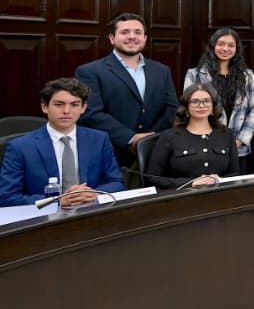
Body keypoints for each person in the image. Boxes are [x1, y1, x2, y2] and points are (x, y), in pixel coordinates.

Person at [75, 12, 180, 173]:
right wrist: (131, 138)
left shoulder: (161, 70)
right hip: (110, 155)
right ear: (112, 38)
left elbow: (172, 108)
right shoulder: (90, 71)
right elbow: (91, 113)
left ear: (145, 38)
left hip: (156, 153)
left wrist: (150, 138)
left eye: (138, 32)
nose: (132, 36)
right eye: (125, 32)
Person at [0, 78, 125, 207]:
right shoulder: (20, 147)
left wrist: (94, 193)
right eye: (59, 104)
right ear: (44, 107)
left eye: (74, 105)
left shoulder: (99, 140)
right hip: (45, 216)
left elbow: (117, 183)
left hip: (90, 211)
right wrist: (57, 201)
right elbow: (6, 197)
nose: (66, 111)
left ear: (83, 108)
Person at [184, 27, 254, 168]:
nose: (225, 49)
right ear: (213, 46)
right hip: (206, 146)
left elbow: (253, 112)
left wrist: (240, 141)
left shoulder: (247, 76)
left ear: (237, 49)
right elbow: (189, 110)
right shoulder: (194, 74)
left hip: (238, 148)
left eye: (231, 45)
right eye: (221, 44)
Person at [144, 84, 240, 189]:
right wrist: (190, 183)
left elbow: (235, 173)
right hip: (182, 196)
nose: (201, 105)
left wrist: (220, 180)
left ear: (213, 106)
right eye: (195, 101)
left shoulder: (226, 134)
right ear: (186, 107)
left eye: (206, 101)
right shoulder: (169, 136)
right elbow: (152, 178)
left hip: (220, 194)